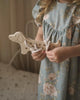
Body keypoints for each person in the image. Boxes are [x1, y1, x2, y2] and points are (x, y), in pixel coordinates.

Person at [31, 0, 80, 100]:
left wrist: (69, 52)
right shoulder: (46, 6)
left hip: (73, 76)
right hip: (48, 76)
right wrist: (36, 49)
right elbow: (40, 35)